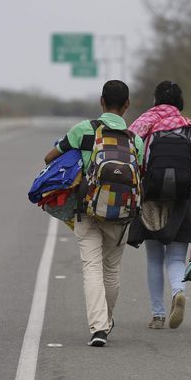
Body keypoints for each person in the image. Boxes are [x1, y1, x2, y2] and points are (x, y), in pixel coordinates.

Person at [43, 80, 144, 347]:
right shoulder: (136, 140)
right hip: (122, 215)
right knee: (111, 270)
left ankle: (99, 328)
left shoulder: (83, 130)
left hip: (87, 211)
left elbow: (50, 157)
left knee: (92, 268)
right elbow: (140, 174)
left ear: (101, 102)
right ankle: (106, 321)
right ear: (127, 105)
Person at [127, 81, 191, 330]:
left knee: (153, 258)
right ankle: (178, 291)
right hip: (181, 201)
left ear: (155, 100)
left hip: (152, 200)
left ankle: (158, 314)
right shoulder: (190, 129)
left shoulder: (146, 126)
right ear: (179, 103)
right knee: (175, 257)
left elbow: (139, 165)